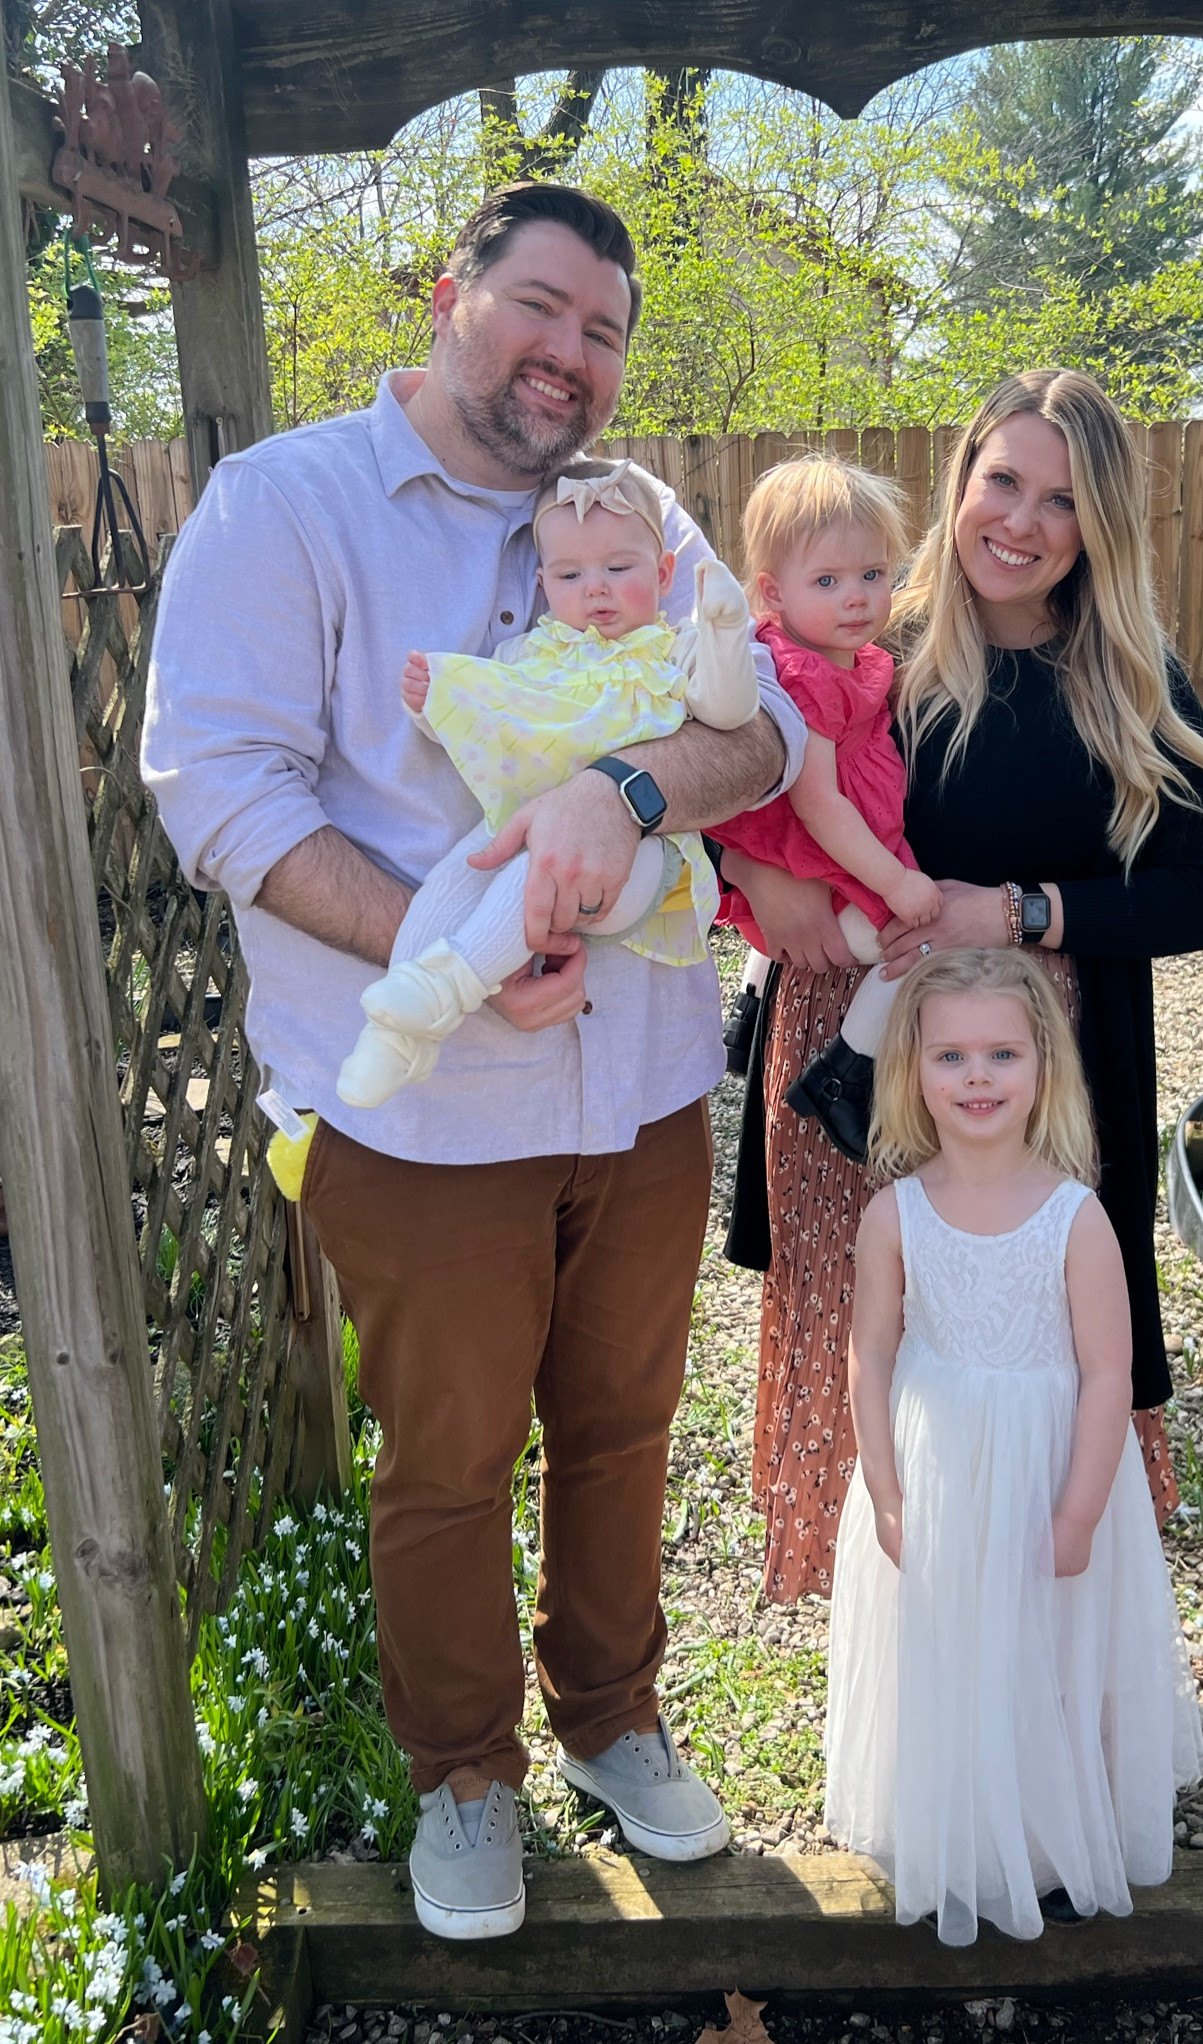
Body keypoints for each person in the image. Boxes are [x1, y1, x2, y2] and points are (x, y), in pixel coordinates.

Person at [143, 181, 808, 1942]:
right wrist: (439, 942)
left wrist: (632, 785)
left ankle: (612, 1716)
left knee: (622, 1424)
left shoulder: (642, 512)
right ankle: (463, 1773)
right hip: (430, 1112)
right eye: (540, 307)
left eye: (604, 331)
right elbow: (215, 785)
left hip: (648, 1086)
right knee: (445, 1462)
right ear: (451, 295)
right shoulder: (287, 507)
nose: (570, 355)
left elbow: (774, 720)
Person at [724, 367, 1203, 1605]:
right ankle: (892, 1623)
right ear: (960, 480)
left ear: (1096, 528)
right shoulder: (865, 646)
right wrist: (746, 867)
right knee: (869, 1321)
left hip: (1035, 1066)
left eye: (1059, 501)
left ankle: (1036, 1607)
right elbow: (722, 770)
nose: (1018, 519)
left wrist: (1022, 911)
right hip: (854, 1044)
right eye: (999, 479)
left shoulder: (1126, 677)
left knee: (1016, 1340)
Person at [824, 947, 1203, 1945]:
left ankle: (1044, 1829)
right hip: (940, 1475)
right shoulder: (890, 1214)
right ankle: (955, 1818)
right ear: (911, 1071)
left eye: (1002, 1053)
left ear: (1045, 1067)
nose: (978, 1078)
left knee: (1046, 1648)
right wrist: (883, 1487)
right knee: (953, 1645)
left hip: (1045, 1469)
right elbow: (868, 1352)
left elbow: (1107, 1377)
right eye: (950, 1057)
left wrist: (1078, 1509)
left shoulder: (1076, 1220)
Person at [338, 458, 759, 1107]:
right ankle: (395, 1037)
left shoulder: (670, 650)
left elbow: (732, 712)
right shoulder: (533, 652)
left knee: (533, 861)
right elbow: (483, 713)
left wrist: (725, 631)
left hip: (643, 856)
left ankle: (444, 989)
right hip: (524, 820)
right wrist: (432, 705)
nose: (595, 589)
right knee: (461, 871)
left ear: (663, 573)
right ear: (543, 582)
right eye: (570, 574)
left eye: (618, 569)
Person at [710, 457, 939, 1136]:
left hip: (824, 855)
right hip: (826, 854)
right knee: (919, 944)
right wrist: (896, 881)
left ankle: (749, 1006)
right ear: (772, 593)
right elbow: (818, 804)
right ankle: (846, 1071)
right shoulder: (802, 676)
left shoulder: (850, 658)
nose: (857, 598)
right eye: (828, 581)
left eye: (873, 575)